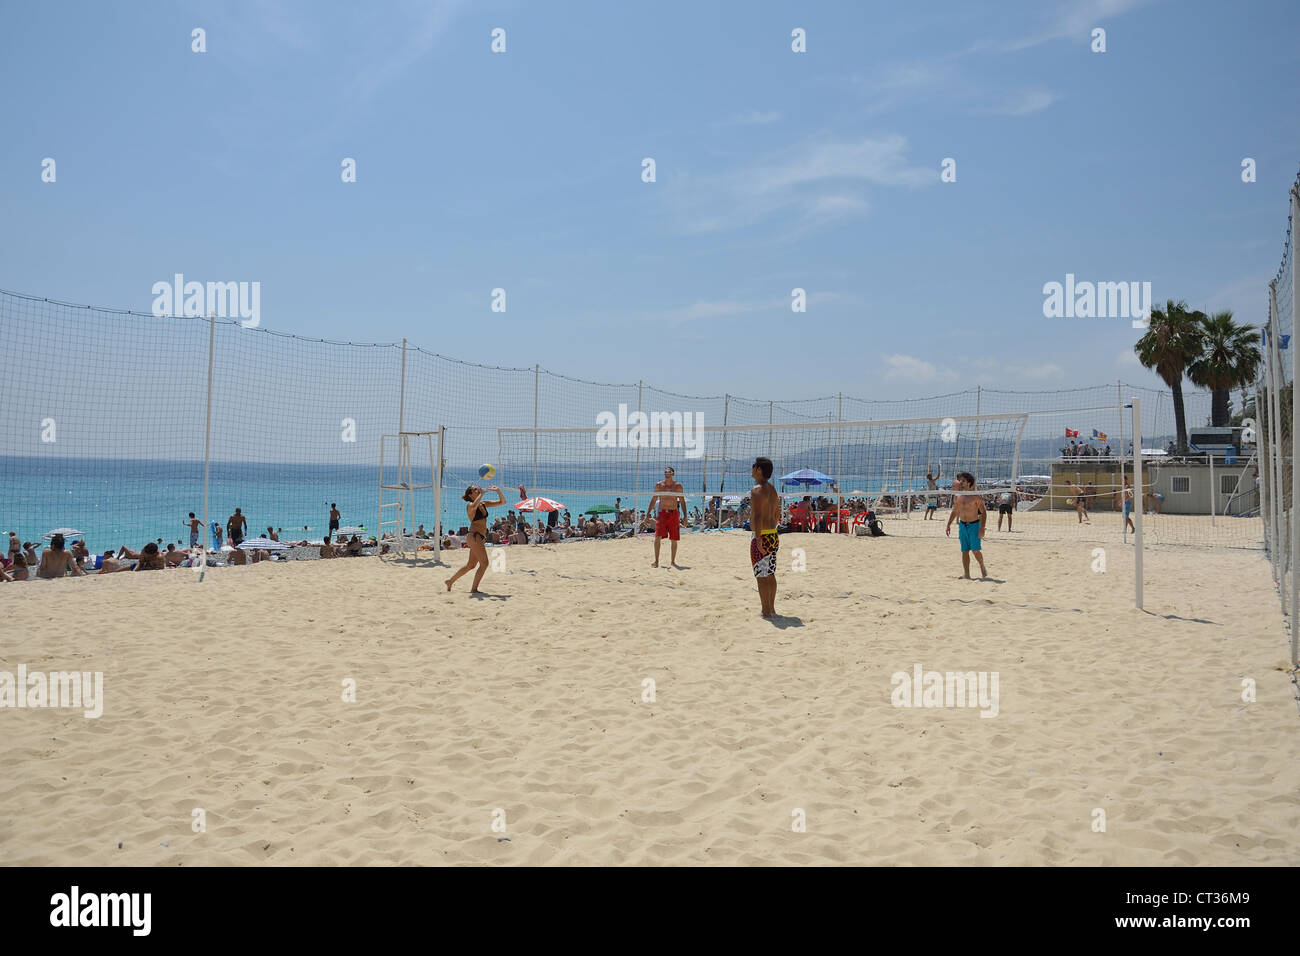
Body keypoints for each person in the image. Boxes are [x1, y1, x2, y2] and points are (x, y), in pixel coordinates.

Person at [446, 484, 506, 594]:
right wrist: (482, 494)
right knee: (484, 563)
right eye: (475, 489)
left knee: (470, 565)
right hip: (474, 536)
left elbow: (502, 502)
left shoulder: (483, 503)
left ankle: (450, 581)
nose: (478, 489)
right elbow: (474, 506)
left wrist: (498, 491)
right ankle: (474, 589)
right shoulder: (470, 505)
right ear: (470, 494)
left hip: (479, 537)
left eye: (478, 488)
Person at [749, 456, 781, 618]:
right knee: (770, 573)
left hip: (761, 537)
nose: (752, 469)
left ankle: (765, 611)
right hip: (773, 536)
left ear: (759, 469)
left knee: (761, 576)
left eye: (754, 466)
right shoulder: (772, 489)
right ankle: (772, 609)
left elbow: (756, 517)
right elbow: (777, 513)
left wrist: (759, 539)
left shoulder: (756, 490)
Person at [945, 472, 988, 579]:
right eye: (960, 481)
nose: (961, 482)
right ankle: (967, 574)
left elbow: (983, 512)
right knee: (964, 551)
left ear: (969, 483)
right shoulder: (957, 496)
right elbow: (955, 511)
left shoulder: (975, 497)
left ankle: (982, 566)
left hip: (974, 525)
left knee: (975, 550)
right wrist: (948, 524)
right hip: (962, 525)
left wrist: (982, 528)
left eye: (963, 481)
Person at [647, 466, 686, 568]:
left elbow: (682, 501)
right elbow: (654, 500)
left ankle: (672, 561)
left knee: (674, 539)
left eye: (669, 471)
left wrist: (685, 516)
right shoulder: (659, 485)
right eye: (665, 471)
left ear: (673, 474)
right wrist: (647, 515)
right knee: (657, 537)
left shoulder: (678, 486)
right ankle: (656, 561)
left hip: (673, 514)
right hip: (662, 513)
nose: (666, 473)